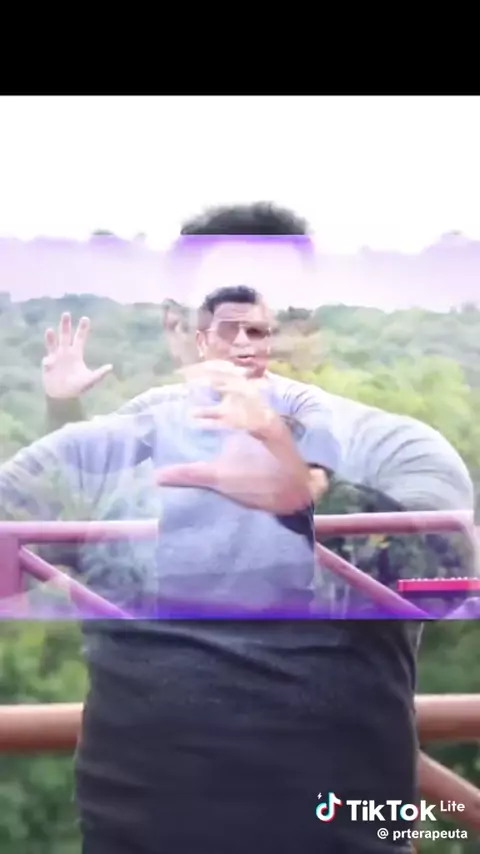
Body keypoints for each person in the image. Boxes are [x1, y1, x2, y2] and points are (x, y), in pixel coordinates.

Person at [10, 203, 476, 852]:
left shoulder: (393, 446)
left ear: (306, 326)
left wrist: (308, 493)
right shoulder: (114, 444)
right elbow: (31, 531)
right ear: (178, 327)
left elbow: (445, 581)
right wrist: (64, 415)